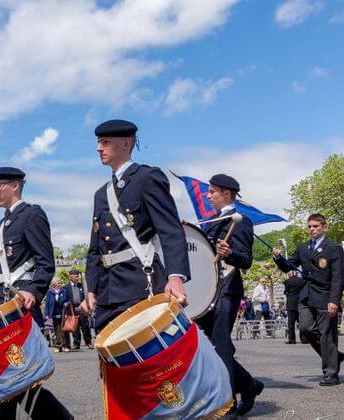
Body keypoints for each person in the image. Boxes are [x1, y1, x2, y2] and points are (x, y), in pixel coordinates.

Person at [0, 167, 72, 420]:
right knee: (0, 375)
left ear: (15, 186)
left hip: (19, 306)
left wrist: (33, 290)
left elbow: (45, 262)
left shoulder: (32, 214)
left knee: (18, 372)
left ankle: (59, 417)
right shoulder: (0, 226)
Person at [84, 119, 189, 331]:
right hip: (107, 291)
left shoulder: (147, 178)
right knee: (110, 360)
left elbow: (171, 231)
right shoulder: (101, 194)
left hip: (139, 283)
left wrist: (175, 277)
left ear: (126, 143)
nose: (98, 148)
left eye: (105, 142)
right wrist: (91, 289)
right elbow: (95, 248)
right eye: (98, 142)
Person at [197, 174, 264, 415]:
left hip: (228, 290)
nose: (208, 195)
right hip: (209, 292)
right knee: (209, 346)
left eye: (212, 191)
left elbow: (246, 260)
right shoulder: (209, 221)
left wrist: (230, 252)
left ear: (226, 193)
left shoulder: (241, 221)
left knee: (221, 345)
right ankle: (249, 385)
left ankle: (228, 405)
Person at [273, 213, 344, 386]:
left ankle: (331, 373)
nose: (312, 229)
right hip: (306, 295)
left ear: (324, 227)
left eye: (315, 226)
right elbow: (289, 266)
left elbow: (338, 277)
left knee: (327, 335)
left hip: (326, 296)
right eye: (310, 226)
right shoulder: (303, 247)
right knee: (305, 328)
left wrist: (334, 300)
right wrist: (278, 258)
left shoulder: (333, 248)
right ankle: (335, 356)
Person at [66, 269, 93, 350]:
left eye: (78, 276)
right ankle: (76, 343)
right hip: (72, 309)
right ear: (70, 277)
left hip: (82, 309)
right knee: (75, 328)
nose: (78, 278)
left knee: (85, 327)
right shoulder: (66, 287)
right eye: (76, 276)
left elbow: (86, 296)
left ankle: (89, 343)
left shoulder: (81, 286)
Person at [44, 279, 70, 352]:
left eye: (60, 283)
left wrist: (66, 303)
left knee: (64, 329)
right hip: (54, 313)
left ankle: (66, 345)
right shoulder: (50, 292)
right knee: (56, 330)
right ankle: (59, 346)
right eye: (58, 283)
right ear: (54, 284)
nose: (60, 284)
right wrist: (47, 314)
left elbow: (68, 300)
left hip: (63, 312)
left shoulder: (64, 291)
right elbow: (47, 304)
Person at [283, 271, 304, 344]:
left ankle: (292, 339)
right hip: (300, 302)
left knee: (291, 323)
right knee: (301, 322)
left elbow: (286, 292)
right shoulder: (301, 280)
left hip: (291, 304)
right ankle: (304, 339)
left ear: (290, 274)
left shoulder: (287, 282)